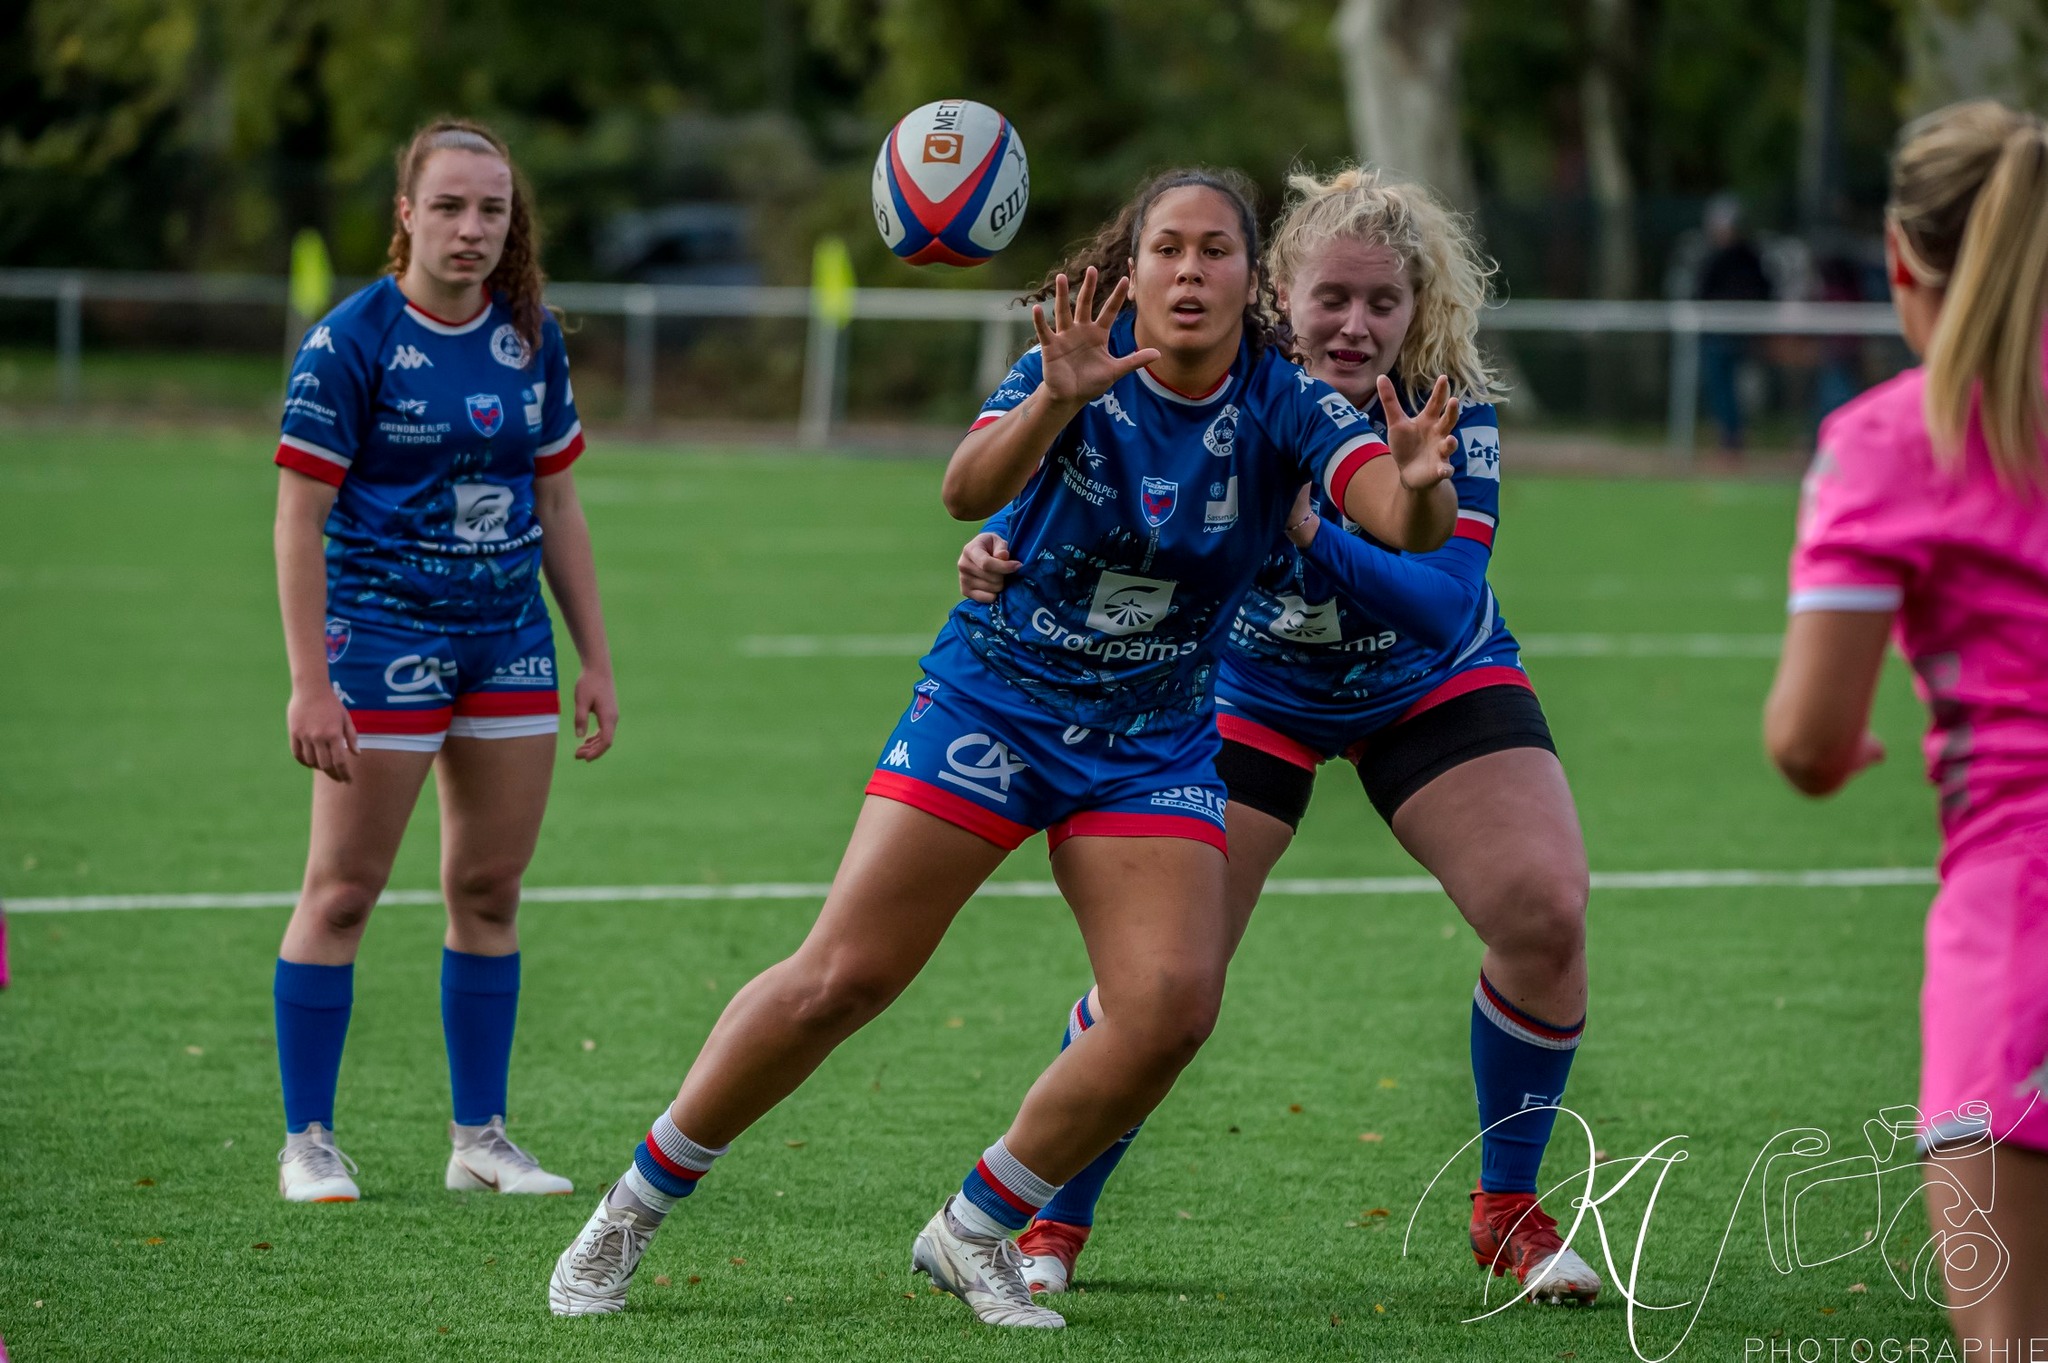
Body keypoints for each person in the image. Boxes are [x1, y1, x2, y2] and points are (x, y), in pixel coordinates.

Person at [547, 167, 1460, 1329]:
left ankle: (974, 1226)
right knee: (844, 975)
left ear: (1251, 278)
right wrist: (1052, 402)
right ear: (1129, 267)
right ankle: (632, 1206)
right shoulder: (1070, 358)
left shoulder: (1285, 399)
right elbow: (962, 489)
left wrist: (1422, 487)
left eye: (1214, 251)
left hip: (1149, 735)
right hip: (996, 703)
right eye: (1166, 249)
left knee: (1170, 1005)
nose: (1188, 272)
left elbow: (1395, 516)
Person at [961, 167, 1601, 1305]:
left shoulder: (1442, 402)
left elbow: (1444, 600)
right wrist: (998, 547)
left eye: (1383, 303)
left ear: (1418, 310)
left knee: (1543, 907)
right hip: (1246, 686)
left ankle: (1505, 1206)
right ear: (1279, 295)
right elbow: (1091, 486)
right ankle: (1051, 1217)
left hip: (1427, 683)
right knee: (1164, 982)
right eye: (1331, 299)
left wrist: (1315, 528)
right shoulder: (1231, 382)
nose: (1356, 325)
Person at [270, 119, 617, 1203]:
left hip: (507, 641)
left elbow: (556, 500)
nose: (473, 229)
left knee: (488, 886)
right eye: (452, 206)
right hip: (380, 640)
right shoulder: (349, 342)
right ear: (406, 215)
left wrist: (593, 656)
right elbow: (296, 515)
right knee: (341, 892)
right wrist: (309, 680)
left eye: (494, 210)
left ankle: (480, 1136)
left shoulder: (532, 335)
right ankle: (309, 1141)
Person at [1764, 100, 2048, 1346]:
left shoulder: (1886, 442)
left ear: (1897, 258)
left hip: (2018, 916)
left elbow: (1806, 740)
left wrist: (1840, 751)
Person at [1695, 193, 1773, 454]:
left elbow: (1763, 290)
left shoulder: (1746, 257)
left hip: (1738, 332)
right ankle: (1729, 435)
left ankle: (1734, 434)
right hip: (1719, 330)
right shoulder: (1717, 256)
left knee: (1734, 385)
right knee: (1721, 385)